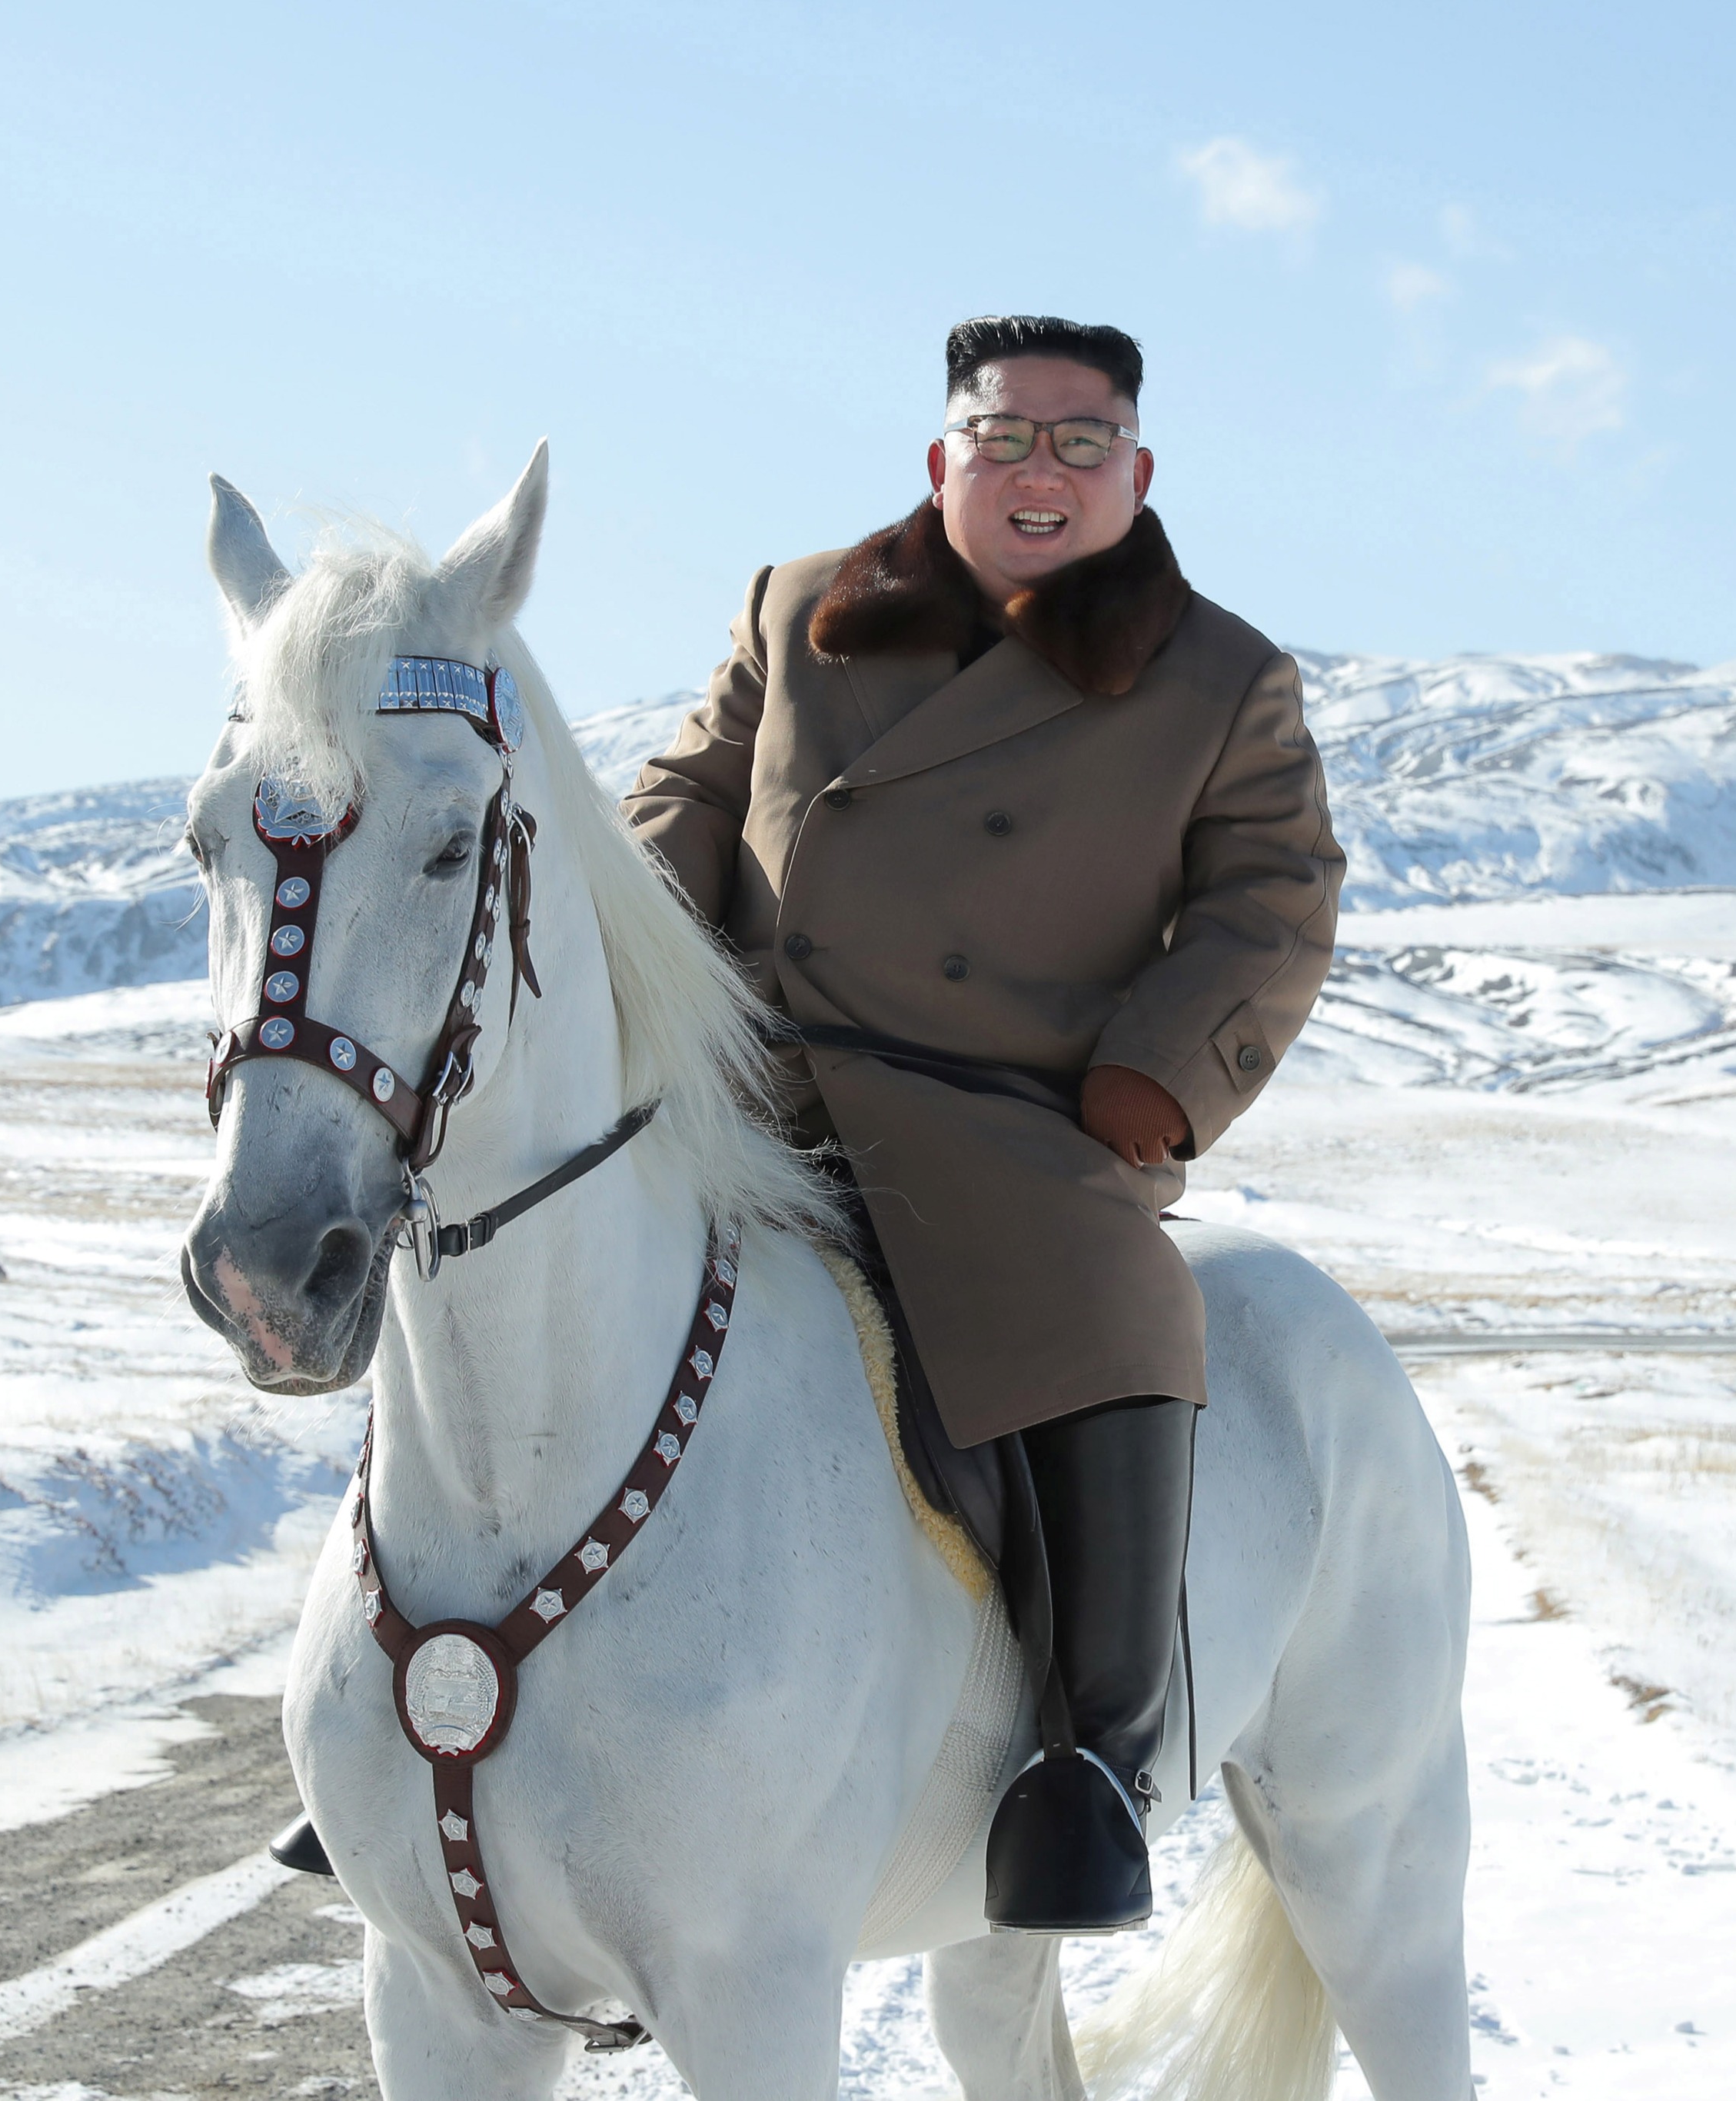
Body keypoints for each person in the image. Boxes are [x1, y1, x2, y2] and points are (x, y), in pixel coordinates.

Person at [621, 315, 1343, 1933]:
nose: (1041, 471)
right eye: (1005, 435)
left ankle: (1090, 1764)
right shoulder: (797, 605)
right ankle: (420, 1694)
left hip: (1003, 1106)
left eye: (1081, 445)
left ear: (1137, 473)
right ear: (939, 457)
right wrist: (635, 953)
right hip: (749, 1072)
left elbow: (1273, 902)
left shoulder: (1219, 677)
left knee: (1109, 1299)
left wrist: (1148, 1083)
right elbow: (685, 791)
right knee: (514, 1224)